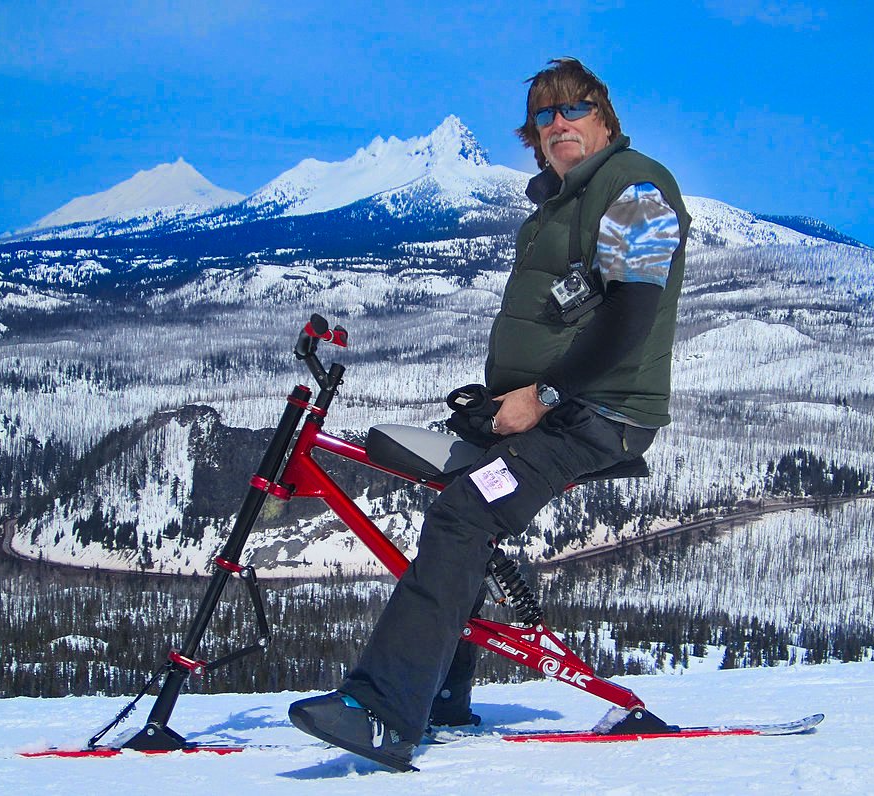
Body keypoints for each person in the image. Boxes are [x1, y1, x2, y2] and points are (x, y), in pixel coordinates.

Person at [288, 57, 691, 771]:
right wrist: (509, 399)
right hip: (551, 408)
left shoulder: (634, 187)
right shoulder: (560, 206)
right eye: (544, 115)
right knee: (453, 497)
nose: (559, 123)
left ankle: (382, 712)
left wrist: (545, 395)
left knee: (466, 514)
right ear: (532, 135)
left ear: (605, 118)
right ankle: (443, 693)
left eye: (575, 108)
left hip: (596, 417)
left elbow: (631, 315)